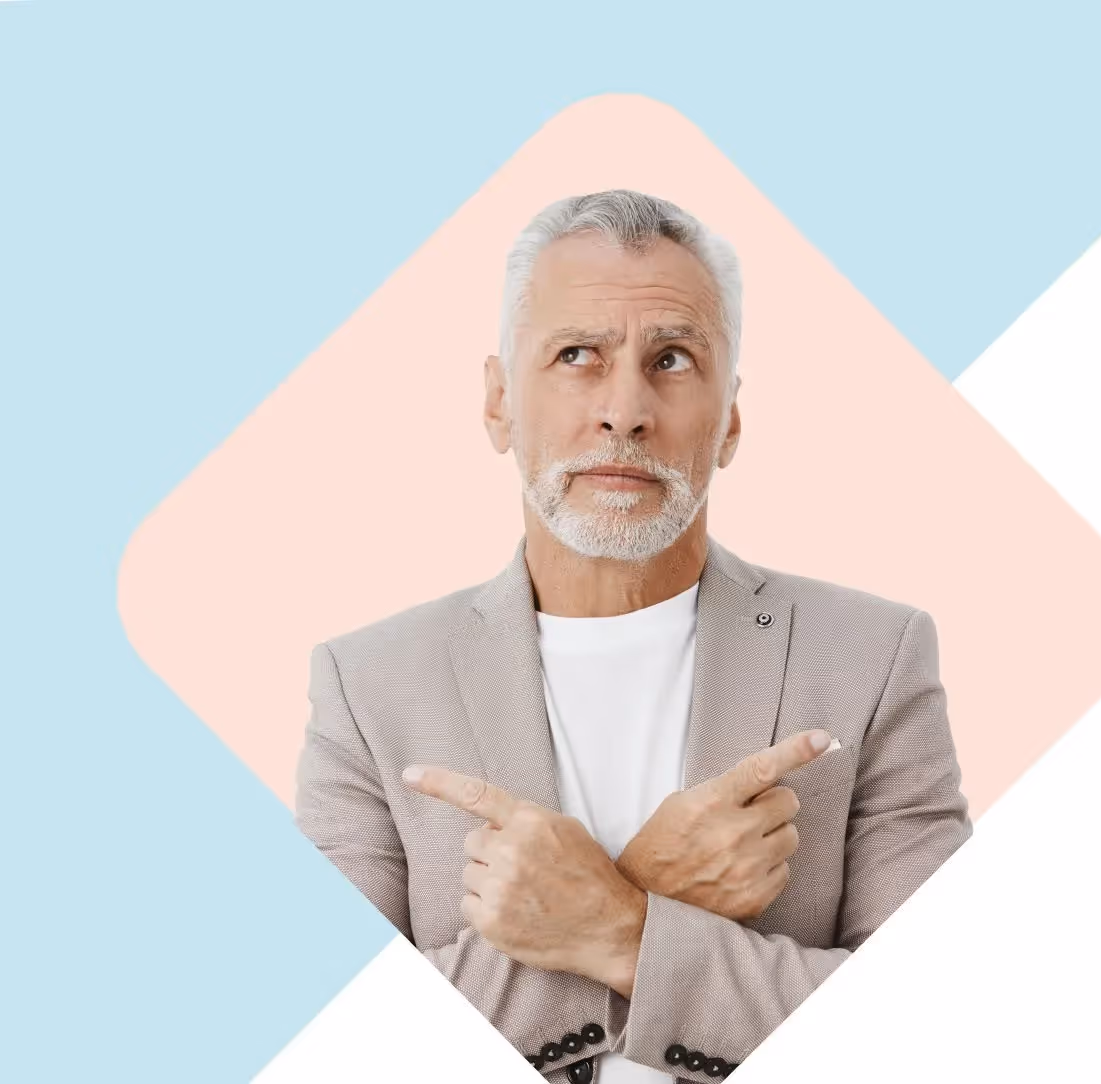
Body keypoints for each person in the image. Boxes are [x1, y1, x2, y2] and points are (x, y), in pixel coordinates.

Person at [293, 189, 972, 1083]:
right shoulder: (367, 685)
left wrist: (613, 923)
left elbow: (941, 1033)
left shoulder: (874, 659)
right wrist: (647, 888)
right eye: (576, 354)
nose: (625, 410)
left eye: (673, 359)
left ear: (729, 417)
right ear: (498, 403)